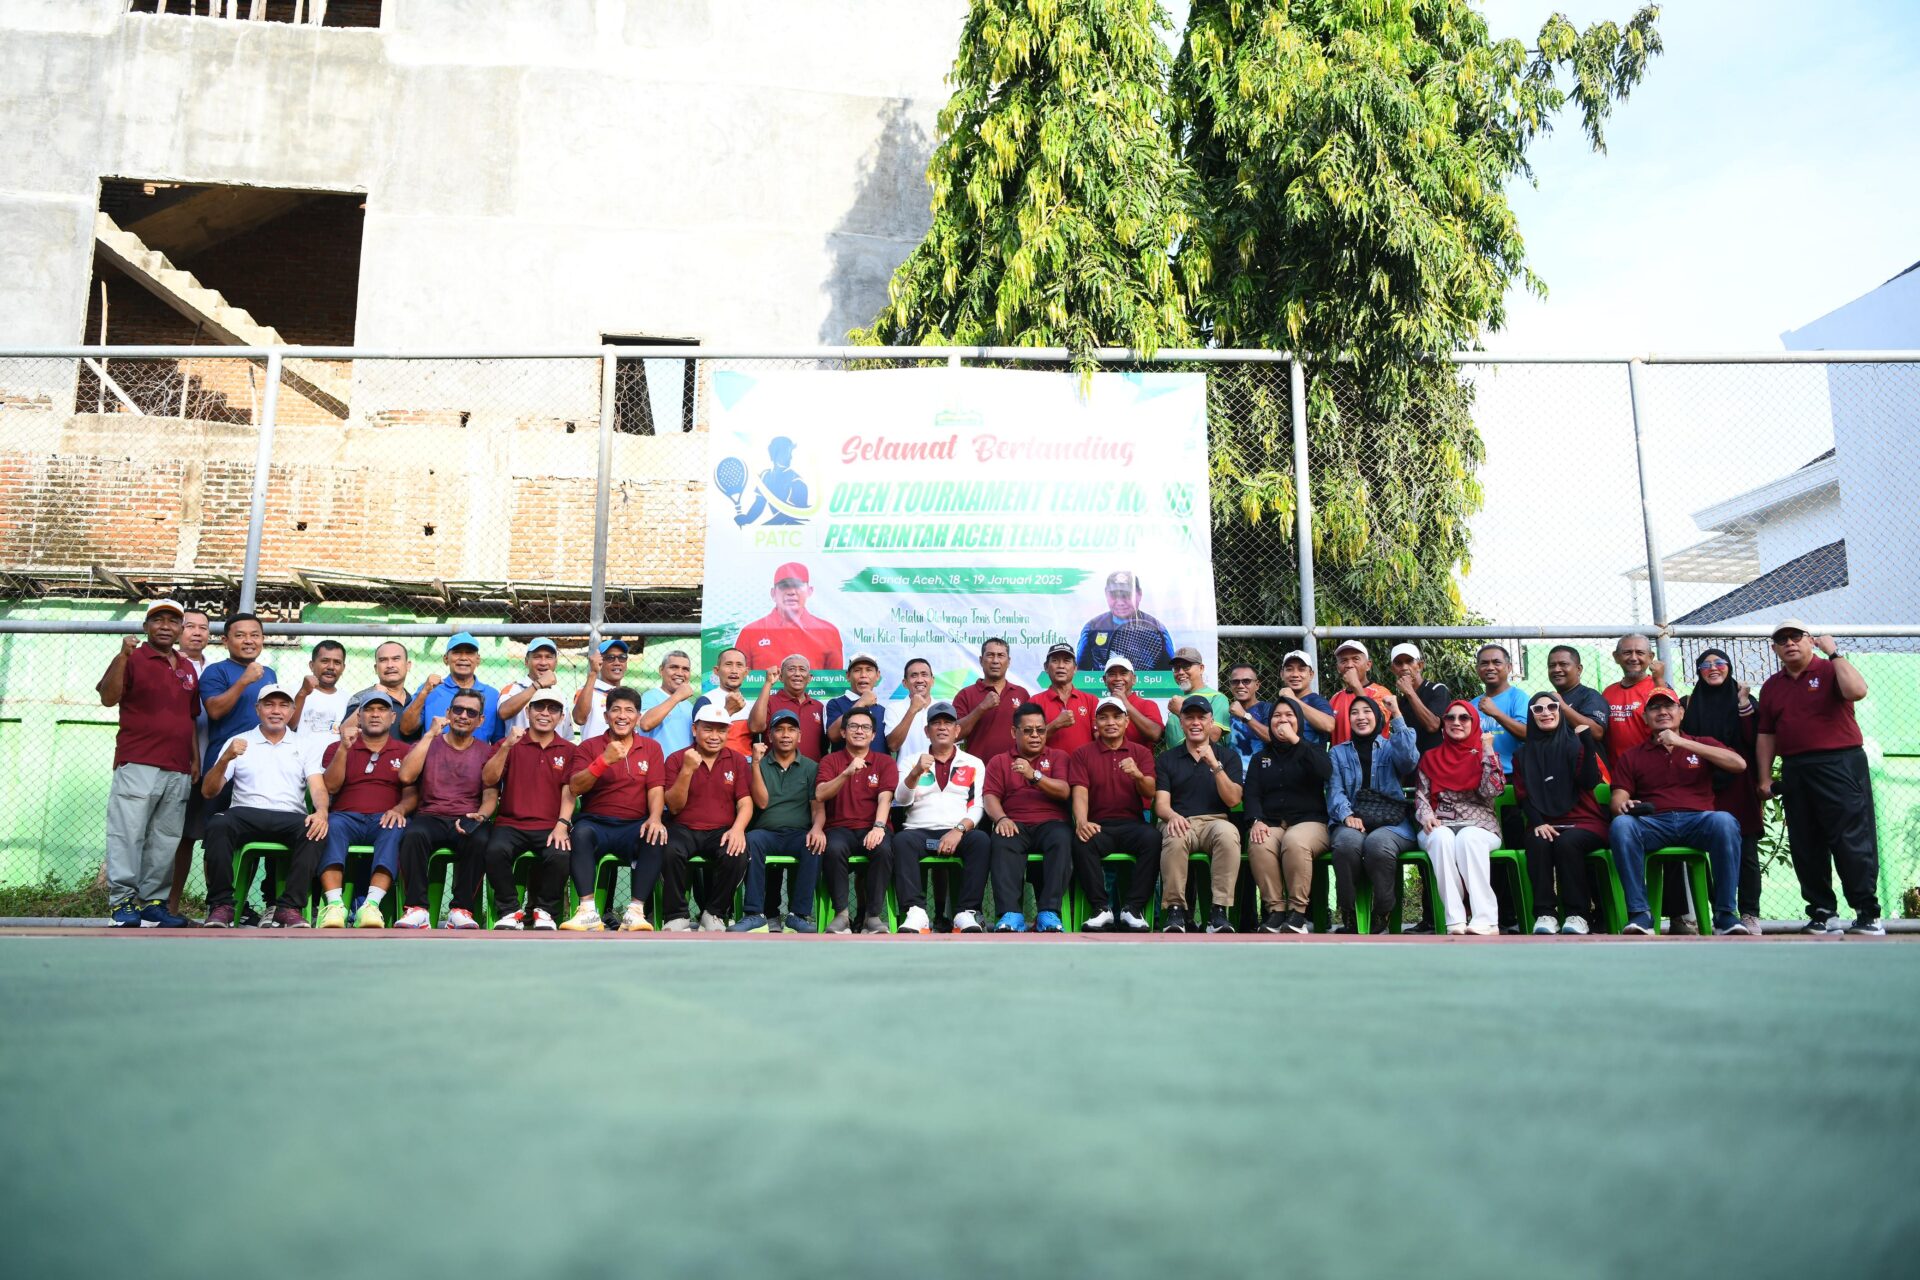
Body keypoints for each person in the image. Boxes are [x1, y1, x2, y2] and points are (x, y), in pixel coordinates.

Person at [1756, 621, 1882, 935]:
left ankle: (1868, 913)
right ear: (1775, 649)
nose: (1789, 643)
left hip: (1840, 762)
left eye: (1795, 636)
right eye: (1781, 639)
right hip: (1796, 768)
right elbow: (1766, 734)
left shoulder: (1830, 669)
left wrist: (1835, 653)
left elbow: (1858, 691)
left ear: (1810, 640)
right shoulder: (1772, 686)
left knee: (1850, 839)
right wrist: (1763, 778)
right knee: (1805, 843)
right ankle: (1823, 912)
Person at [1607, 689, 1749, 936]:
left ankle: (1726, 916)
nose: (1662, 712)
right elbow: (1618, 797)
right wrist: (1624, 805)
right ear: (1645, 718)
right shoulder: (1633, 756)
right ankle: (1640, 915)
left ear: (1681, 713)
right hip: (1654, 824)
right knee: (1622, 825)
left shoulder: (1701, 743)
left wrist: (1681, 742)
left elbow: (1739, 764)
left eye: (1669, 706)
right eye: (1654, 708)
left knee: (1725, 821)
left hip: (1699, 821)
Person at [97, 600, 201, 927]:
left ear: (180, 630)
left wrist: (194, 759)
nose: (166, 626)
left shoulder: (186, 667)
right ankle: (122, 902)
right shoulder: (132, 658)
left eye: (173, 621)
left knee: (166, 837)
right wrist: (123, 656)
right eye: (158, 620)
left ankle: (153, 902)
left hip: (178, 767)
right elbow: (108, 697)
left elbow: (190, 718)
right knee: (128, 834)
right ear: (146, 627)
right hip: (138, 762)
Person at [199, 683, 328, 928]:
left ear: (291, 711)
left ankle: (289, 908)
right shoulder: (239, 742)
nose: (275, 711)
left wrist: (321, 812)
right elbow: (208, 791)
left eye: (282, 705)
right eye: (269, 704)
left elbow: (318, 787)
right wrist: (225, 758)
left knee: (316, 831)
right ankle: (222, 906)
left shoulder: (305, 744)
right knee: (218, 823)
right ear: (258, 709)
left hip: (289, 815)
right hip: (245, 813)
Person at [560, 687, 669, 932]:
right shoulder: (588, 747)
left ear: (638, 717)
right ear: (606, 715)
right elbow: (575, 786)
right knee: (580, 834)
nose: (622, 716)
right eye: (616, 710)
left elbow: (655, 789)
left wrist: (654, 818)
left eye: (629, 711)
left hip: (633, 824)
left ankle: (635, 912)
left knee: (655, 835)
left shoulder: (651, 748)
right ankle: (587, 910)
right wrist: (604, 761)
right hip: (596, 823)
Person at [394, 688, 496, 930]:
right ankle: (417, 909)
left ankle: (461, 910)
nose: (463, 715)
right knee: (412, 835)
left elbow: (490, 795)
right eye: (458, 709)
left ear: (480, 720)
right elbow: (406, 775)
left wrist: (480, 816)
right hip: (430, 815)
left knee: (481, 838)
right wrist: (430, 734)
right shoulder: (428, 742)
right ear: (448, 713)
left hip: (466, 816)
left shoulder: (486, 751)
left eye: (471, 712)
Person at [478, 689, 576, 930]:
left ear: (561, 717)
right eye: (539, 707)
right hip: (510, 824)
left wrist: (562, 825)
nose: (545, 713)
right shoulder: (508, 743)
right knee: (494, 851)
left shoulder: (569, 750)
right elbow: (489, 778)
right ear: (527, 711)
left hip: (550, 826)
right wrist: (506, 747)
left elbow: (569, 791)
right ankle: (510, 911)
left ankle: (545, 912)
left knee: (561, 855)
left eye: (552, 709)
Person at [1682, 648, 1763, 935]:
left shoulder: (1745, 700)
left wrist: (1743, 702)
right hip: (1701, 784)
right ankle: (1721, 912)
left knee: (1747, 851)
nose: (1712, 668)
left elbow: (1755, 739)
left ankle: (1750, 912)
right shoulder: (1689, 703)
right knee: (1700, 851)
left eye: (1719, 663)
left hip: (1739, 783)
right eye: (1705, 664)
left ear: (1729, 667)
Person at [315, 693, 414, 929]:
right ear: (358, 717)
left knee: (396, 826)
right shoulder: (337, 747)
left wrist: (399, 808)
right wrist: (343, 749)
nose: (376, 714)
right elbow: (331, 786)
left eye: (382, 710)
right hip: (345, 817)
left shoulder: (405, 750)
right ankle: (335, 906)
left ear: (392, 718)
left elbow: (412, 793)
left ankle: (371, 906)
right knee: (331, 825)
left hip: (384, 817)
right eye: (369, 710)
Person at [889, 701, 989, 934]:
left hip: (958, 831)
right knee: (901, 842)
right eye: (936, 723)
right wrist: (915, 772)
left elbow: (977, 806)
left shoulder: (973, 763)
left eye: (948, 723)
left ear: (957, 730)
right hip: (919, 830)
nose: (942, 728)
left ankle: (966, 912)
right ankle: (915, 912)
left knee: (982, 841)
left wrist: (958, 830)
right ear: (927, 731)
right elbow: (902, 800)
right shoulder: (910, 760)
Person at [1325, 695, 1421, 933]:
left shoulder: (1391, 747)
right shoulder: (1337, 753)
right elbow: (1335, 790)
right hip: (1353, 820)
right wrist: (1347, 815)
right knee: (1346, 844)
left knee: (1378, 845)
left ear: (1378, 717)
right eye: (1354, 712)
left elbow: (1410, 761)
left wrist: (1397, 715)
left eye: (1367, 711)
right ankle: (1348, 913)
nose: (1361, 717)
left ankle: (1382, 910)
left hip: (1393, 821)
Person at [1513, 693, 1607, 935]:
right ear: (1532, 716)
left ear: (1560, 710)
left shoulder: (1576, 745)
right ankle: (1546, 914)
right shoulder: (1522, 755)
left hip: (1584, 822)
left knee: (1567, 843)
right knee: (1537, 840)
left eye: (1552, 707)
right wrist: (1538, 823)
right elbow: (1524, 796)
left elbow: (1589, 782)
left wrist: (1587, 744)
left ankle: (1578, 915)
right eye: (1538, 709)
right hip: (1546, 822)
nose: (1546, 712)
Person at [658, 703, 755, 931]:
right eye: (708, 729)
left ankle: (714, 913)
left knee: (736, 851)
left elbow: (745, 802)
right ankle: (676, 914)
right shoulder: (676, 759)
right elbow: (673, 806)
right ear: (695, 730)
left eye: (721, 730)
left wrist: (738, 829)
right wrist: (687, 770)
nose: (715, 736)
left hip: (721, 830)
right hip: (683, 827)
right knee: (667, 848)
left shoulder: (737, 760)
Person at [1154, 695, 1246, 933]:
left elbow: (1233, 799)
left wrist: (1215, 765)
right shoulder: (1166, 759)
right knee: (1174, 837)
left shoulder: (1227, 757)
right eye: (1189, 717)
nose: (1195, 723)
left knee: (1228, 835)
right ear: (1181, 722)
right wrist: (1173, 817)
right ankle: (1175, 912)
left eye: (1201, 717)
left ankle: (1218, 912)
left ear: (1211, 721)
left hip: (1215, 822)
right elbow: (1161, 804)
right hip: (1179, 820)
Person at [1415, 700, 1507, 935]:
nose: (1456, 722)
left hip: (1480, 825)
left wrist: (1487, 751)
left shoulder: (1485, 754)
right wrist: (1425, 816)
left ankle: (1486, 919)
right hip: (1441, 822)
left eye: (1464, 718)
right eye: (1450, 718)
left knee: (1468, 838)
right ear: (1443, 724)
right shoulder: (1431, 757)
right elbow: (1421, 795)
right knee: (1439, 838)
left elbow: (1492, 790)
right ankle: (1455, 919)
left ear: (1474, 722)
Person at [1069, 697, 1160, 932]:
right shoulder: (1082, 753)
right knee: (1081, 839)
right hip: (1100, 826)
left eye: (1117, 716)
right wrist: (1082, 822)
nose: (1110, 722)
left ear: (1127, 721)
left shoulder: (1140, 752)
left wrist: (1137, 775)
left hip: (1133, 824)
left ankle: (1133, 909)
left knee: (1153, 838)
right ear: (1095, 723)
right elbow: (1079, 792)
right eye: (1103, 717)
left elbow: (1150, 792)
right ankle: (1101, 909)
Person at [732, 709, 826, 934]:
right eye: (779, 730)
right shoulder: (759, 765)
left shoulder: (811, 767)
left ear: (799, 736)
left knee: (814, 844)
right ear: (770, 736)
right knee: (751, 840)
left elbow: (818, 808)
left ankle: (798, 915)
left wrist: (817, 829)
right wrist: (755, 764)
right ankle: (755, 914)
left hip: (798, 833)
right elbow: (762, 803)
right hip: (766, 833)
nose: (785, 735)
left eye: (791, 730)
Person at [982, 703, 1074, 932]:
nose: (1035, 735)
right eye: (1028, 730)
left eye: (1040, 730)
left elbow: (1064, 791)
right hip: (1015, 823)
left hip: (1051, 823)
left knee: (1062, 838)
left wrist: (1034, 775)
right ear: (1014, 732)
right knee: (1002, 840)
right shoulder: (999, 761)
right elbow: (990, 797)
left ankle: (1049, 913)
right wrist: (1001, 819)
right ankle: (1011, 914)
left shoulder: (1058, 757)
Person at [1244, 698, 1332, 933]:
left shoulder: (1312, 751)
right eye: (1277, 716)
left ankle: (1298, 913)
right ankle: (1276, 910)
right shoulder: (1260, 757)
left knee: (1295, 842)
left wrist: (1296, 741)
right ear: (1269, 722)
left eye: (1289, 715)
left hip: (1310, 822)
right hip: (1272, 822)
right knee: (1259, 842)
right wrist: (1256, 820)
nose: (1282, 720)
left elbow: (1325, 772)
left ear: (1299, 721)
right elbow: (1251, 795)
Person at [816, 707, 899, 933]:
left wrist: (878, 827)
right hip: (839, 828)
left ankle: (872, 916)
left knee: (882, 850)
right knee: (832, 849)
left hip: (872, 827)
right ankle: (841, 915)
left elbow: (885, 798)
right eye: (853, 726)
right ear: (843, 733)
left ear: (873, 735)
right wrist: (846, 773)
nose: (859, 731)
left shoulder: (885, 762)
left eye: (865, 728)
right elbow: (821, 794)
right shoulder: (830, 761)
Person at [163, 606, 212, 915]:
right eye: (190, 626)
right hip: (179, 767)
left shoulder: (218, 670)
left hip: (215, 768)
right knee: (178, 840)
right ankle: (168, 906)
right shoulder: (168, 666)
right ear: (179, 631)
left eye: (203, 628)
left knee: (213, 840)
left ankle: (215, 908)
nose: (196, 632)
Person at [735, 561, 845, 671]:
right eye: (784, 587)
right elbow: (739, 682)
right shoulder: (750, 632)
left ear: (809, 591)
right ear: (773, 593)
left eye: (797, 586)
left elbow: (835, 683)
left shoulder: (828, 632)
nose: (791, 592)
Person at [401, 632, 502, 742]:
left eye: (469, 653)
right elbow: (406, 729)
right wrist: (424, 693)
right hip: (435, 757)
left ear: (478, 660)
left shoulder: (492, 695)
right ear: (445, 659)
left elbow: (498, 740)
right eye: (457, 652)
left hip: (478, 758)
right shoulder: (430, 689)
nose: (463, 657)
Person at [1075, 569, 1176, 671]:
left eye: (1126, 595)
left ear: (1139, 594)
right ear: (1106, 594)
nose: (1120, 602)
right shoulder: (1091, 628)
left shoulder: (1158, 630)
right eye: (1114, 595)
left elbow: (1170, 676)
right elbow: (1080, 674)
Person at [954, 637, 1031, 760]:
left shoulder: (1021, 693)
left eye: (1001, 655)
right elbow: (954, 734)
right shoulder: (965, 694)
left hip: (1016, 769)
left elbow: (1031, 734)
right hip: (978, 770)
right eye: (990, 655)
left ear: (1009, 661)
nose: (995, 660)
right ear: (981, 660)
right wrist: (981, 708)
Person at [750, 653, 827, 761]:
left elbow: (824, 745)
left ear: (809, 678)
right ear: (781, 677)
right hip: (775, 772)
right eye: (791, 669)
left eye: (802, 669)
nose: (797, 674)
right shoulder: (769, 701)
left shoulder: (819, 706)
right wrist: (768, 683)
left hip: (812, 773)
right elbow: (755, 727)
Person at [500, 637, 575, 741]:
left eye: (549, 657)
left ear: (556, 662)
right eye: (537, 657)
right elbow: (503, 713)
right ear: (526, 662)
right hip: (518, 753)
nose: (543, 662)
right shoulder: (513, 689)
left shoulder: (560, 695)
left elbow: (565, 736)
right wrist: (538, 685)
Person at [1472, 644, 1530, 775]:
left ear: (1508, 667)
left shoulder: (1519, 697)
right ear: (1477, 669)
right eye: (1484, 663)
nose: (1490, 667)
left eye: (1496, 662)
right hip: (1480, 776)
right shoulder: (1472, 705)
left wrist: (1496, 713)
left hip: (1513, 774)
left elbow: (1528, 734)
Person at [1542, 645, 1611, 752]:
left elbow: (1597, 732)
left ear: (1578, 669)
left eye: (1563, 664)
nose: (1556, 669)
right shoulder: (1548, 700)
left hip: (1584, 766)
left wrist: (1562, 706)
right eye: (1552, 665)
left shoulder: (1590, 696)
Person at [1328, 641, 1398, 745]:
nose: (1349, 665)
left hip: (1374, 760)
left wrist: (1355, 685)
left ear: (1368, 665)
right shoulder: (1335, 698)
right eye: (1343, 661)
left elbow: (1378, 722)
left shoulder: (1381, 692)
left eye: (1355, 659)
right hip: (1341, 760)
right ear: (1338, 668)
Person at [690, 647, 757, 755]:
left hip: (746, 765)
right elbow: (699, 739)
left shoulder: (751, 705)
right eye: (728, 664)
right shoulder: (706, 701)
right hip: (717, 764)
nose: (734, 670)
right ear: (716, 671)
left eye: (739, 665)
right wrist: (728, 711)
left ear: (746, 672)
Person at [1034, 642, 1098, 755]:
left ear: (1075, 668)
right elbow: (1028, 741)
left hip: (1082, 770)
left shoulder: (1091, 700)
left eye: (1067, 661)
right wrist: (1055, 725)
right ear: (1046, 667)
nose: (1061, 666)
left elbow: (1100, 739)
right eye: (1055, 661)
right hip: (1048, 770)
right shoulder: (1035, 702)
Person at [1389, 643, 1453, 754]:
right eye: (1398, 663)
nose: (1404, 667)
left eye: (1409, 661)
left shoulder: (1437, 689)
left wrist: (1409, 692)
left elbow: (1433, 726)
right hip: (1409, 766)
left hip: (1434, 764)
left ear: (1420, 665)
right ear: (1393, 669)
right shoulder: (1400, 702)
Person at [344, 640, 415, 739]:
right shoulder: (362, 697)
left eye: (396, 659)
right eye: (383, 660)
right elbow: (345, 731)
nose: (390, 665)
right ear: (376, 668)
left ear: (408, 665)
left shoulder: (415, 701)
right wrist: (373, 698)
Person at [1162, 646, 1229, 750]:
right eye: (1176, 668)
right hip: (1175, 763)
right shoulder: (1176, 701)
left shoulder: (1217, 698)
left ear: (1201, 668)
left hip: (1203, 762)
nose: (1180, 672)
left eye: (1186, 667)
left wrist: (1181, 711)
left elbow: (1213, 736)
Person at [825, 652, 890, 752]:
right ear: (848, 676)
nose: (863, 675)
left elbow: (893, 746)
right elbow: (833, 735)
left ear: (877, 675)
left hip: (878, 767)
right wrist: (861, 702)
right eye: (857, 670)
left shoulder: (884, 710)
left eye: (869, 670)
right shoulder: (835, 704)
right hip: (846, 767)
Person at [638, 649, 698, 757]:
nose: (680, 673)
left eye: (685, 669)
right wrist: (677, 696)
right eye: (673, 667)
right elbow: (645, 724)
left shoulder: (689, 705)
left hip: (684, 767)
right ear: (661, 670)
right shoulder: (650, 696)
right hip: (658, 766)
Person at [1100, 654, 1165, 747]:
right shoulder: (1099, 707)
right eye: (1112, 674)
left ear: (1133, 679)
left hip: (1139, 761)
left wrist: (1126, 705)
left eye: (1123, 673)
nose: (1118, 678)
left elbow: (1155, 735)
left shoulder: (1147, 705)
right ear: (1105, 680)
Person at [573, 637, 630, 740]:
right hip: (594, 754)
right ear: (600, 662)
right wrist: (593, 673)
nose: (617, 662)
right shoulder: (588, 690)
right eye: (610, 658)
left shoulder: (629, 695)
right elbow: (579, 719)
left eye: (622, 657)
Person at [1278, 649, 1336, 746]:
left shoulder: (1317, 701)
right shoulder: (1280, 704)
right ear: (1282, 674)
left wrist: (1294, 700)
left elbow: (1329, 725)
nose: (1295, 674)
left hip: (1311, 759)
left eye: (1301, 669)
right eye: (1289, 669)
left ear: (1311, 674)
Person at [291, 640, 349, 738]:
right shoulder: (292, 692)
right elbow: (286, 728)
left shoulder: (348, 700)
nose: (331, 667)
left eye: (337, 662)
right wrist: (302, 693)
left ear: (343, 668)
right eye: (325, 661)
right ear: (312, 665)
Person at [1224, 663, 1273, 775]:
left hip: (1262, 777)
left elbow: (1274, 737)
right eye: (1235, 681)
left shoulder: (1268, 708)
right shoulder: (1225, 713)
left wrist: (1244, 716)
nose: (1240, 685)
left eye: (1246, 681)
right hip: (1233, 777)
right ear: (1230, 686)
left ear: (1257, 685)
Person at [885, 656, 937, 759]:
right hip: (906, 773)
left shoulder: (942, 708)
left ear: (932, 680)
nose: (919, 680)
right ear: (905, 683)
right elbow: (893, 746)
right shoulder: (893, 709)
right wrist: (912, 709)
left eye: (924, 674)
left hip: (936, 773)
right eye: (914, 676)